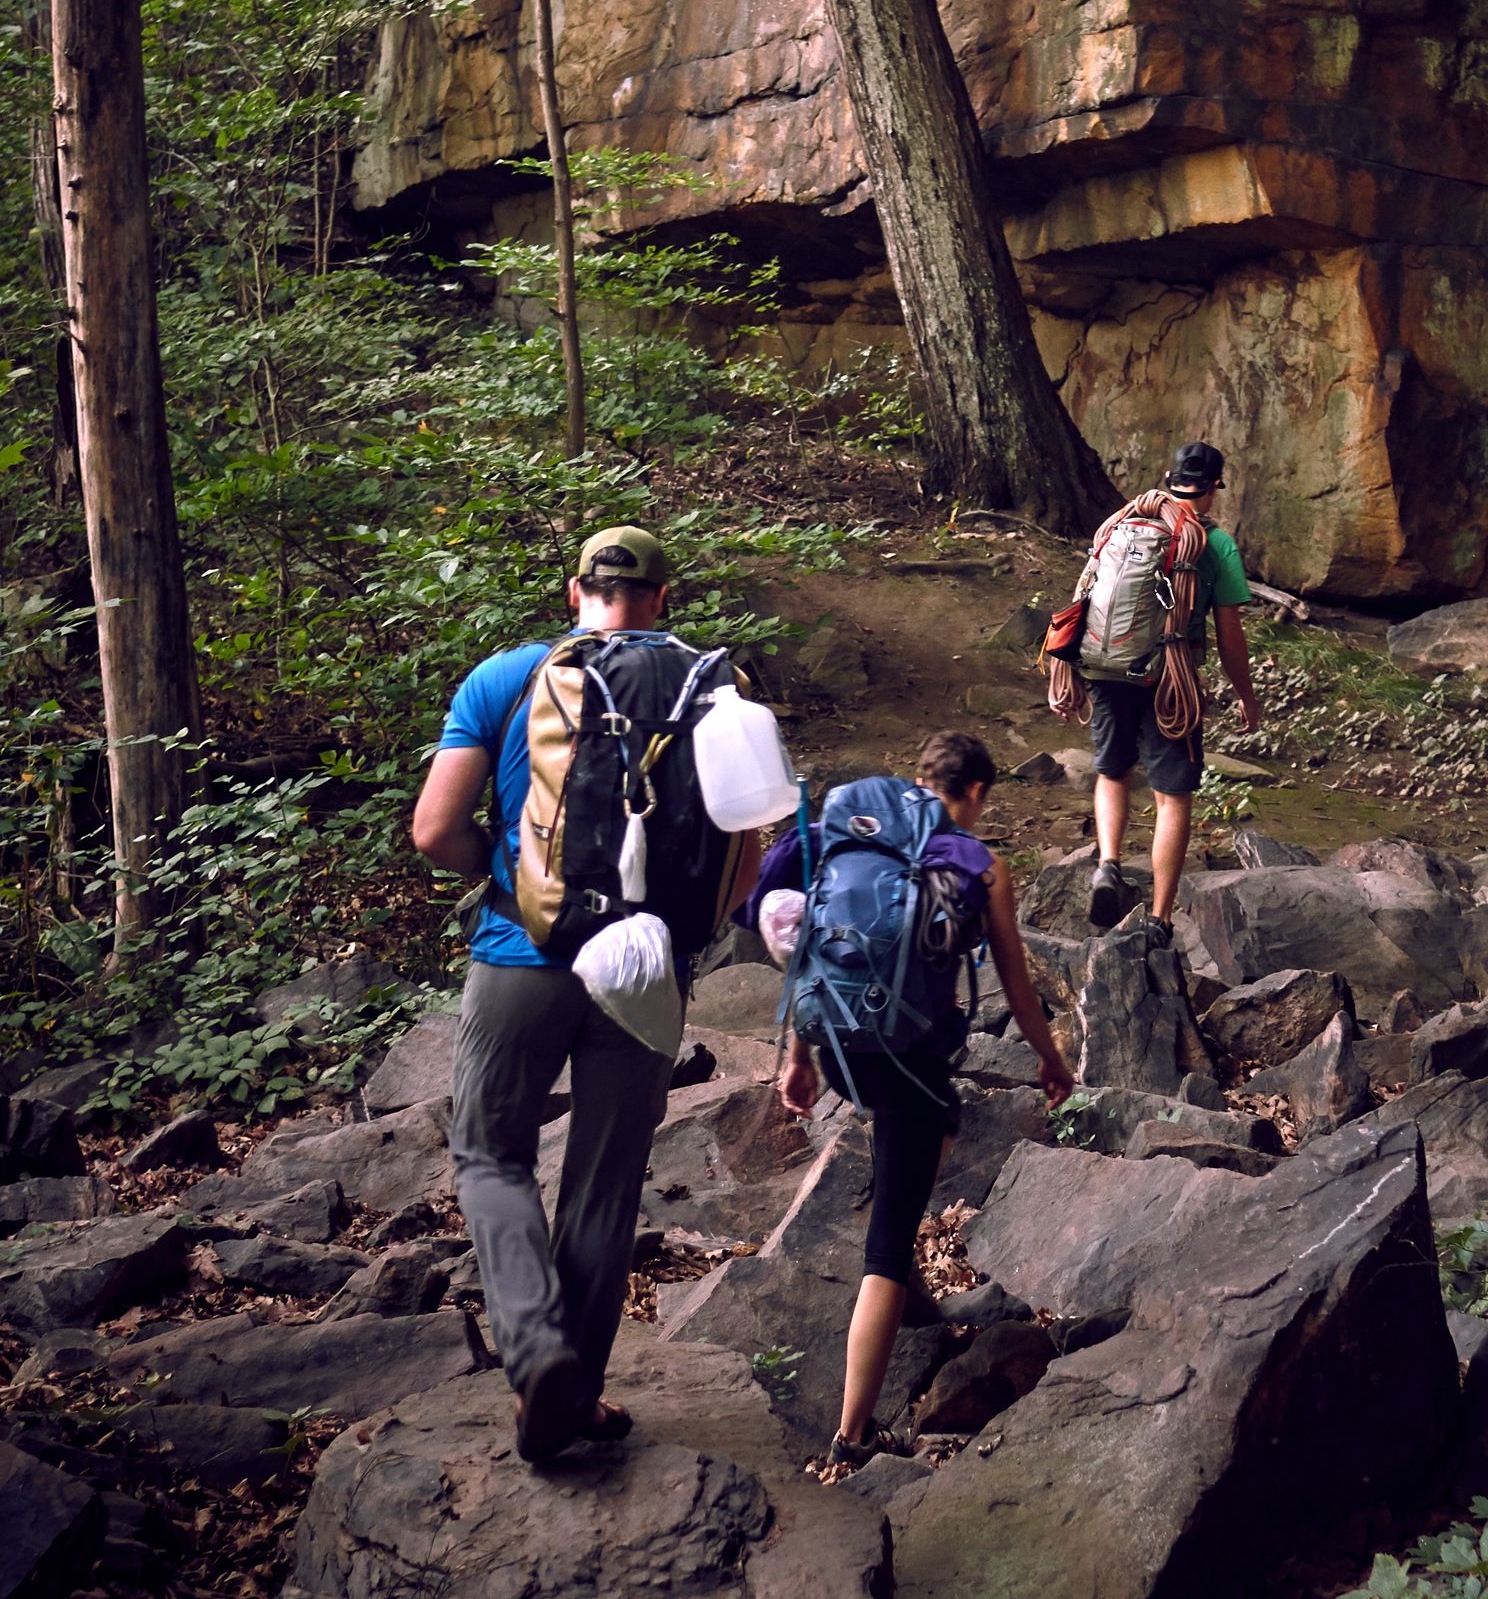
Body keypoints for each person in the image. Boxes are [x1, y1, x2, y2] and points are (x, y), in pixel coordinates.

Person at [410, 526, 760, 1463]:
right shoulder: (709, 689)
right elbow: (746, 851)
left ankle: (536, 1350)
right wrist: (680, 935)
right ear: (661, 599)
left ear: (577, 590)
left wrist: (513, 876)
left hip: (519, 954)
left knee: (489, 1155)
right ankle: (574, 1394)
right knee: (604, 1185)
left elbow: (434, 828)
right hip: (644, 979)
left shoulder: (507, 678)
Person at [765, 731, 1071, 1473]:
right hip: (904, 1054)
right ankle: (852, 1433)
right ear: (973, 795)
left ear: (916, 778)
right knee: (890, 1233)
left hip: (835, 1043)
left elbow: (804, 944)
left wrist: (799, 1059)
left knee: (931, 1126)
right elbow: (1019, 989)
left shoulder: (847, 837)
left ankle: (914, 1292)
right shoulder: (978, 862)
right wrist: (1050, 1055)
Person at [1086, 441, 1262, 941]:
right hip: (1171, 679)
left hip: (1107, 665)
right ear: (1214, 487)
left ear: (1168, 479)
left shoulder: (1122, 523)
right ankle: (1160, 918)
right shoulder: (1214, 542)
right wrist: (1246, 695)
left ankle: (1108, 863)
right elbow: (1230, 633)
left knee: (1111, 770)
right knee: (1172, 796)